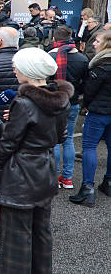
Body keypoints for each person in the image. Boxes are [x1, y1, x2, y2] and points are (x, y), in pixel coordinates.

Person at [0, 48, 71, 274]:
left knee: (16, 238)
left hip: (21, 174)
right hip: (45, 169)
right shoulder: (61, 100)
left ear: (29, 70)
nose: (14, 69)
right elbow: (61, 136)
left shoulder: (24, 103)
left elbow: (8, 143)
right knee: (41, 231)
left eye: (17, 66)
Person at [69, 30, 111, 206]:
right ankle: (108, 182)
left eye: (97, 40)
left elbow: (89, 92)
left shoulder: (99, 65)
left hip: (98, 113)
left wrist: (86, 106)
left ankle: (88, 187)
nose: (93, 43)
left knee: (89, 147)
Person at [48, 25, 89, 190]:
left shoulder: (50, 56)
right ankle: (68, 178)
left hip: (54, 102)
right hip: (72, 103)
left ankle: (54, 177)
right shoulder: (82, 58)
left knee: (55, 141)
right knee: (69, 140)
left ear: (54, 39)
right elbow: (86, 84)